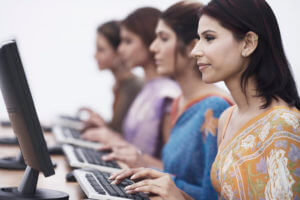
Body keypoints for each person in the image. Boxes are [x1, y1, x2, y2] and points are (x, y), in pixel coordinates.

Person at [109, 0, 300, 199]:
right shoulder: (227, 118)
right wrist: (175, 192)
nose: (195, 51)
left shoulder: (283, 126)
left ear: (248, 43)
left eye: (209, 38)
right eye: (199, 39)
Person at [105, 1, 232, 199]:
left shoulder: (214, 108)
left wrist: (161, 179)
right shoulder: (179, 101)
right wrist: (141, 162)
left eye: (163, 39)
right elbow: (177, 173)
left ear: (192, 46)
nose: (153, 47)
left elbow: (212, 195)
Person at [81, 7, 181, 158]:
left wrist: (112, 138)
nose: (120, 50)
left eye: (128, 41)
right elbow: (134, 145)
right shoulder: (149, 88)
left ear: (149, 41)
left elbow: (169, 166)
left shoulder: (166, 93)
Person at [80, 20, 144, 133]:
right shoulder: (121, 85)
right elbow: (119, 129)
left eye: (101, 50)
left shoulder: (134, 87)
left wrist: (104, 127)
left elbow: (127, 137)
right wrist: (102, 123)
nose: (95, 55)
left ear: (119, 52)